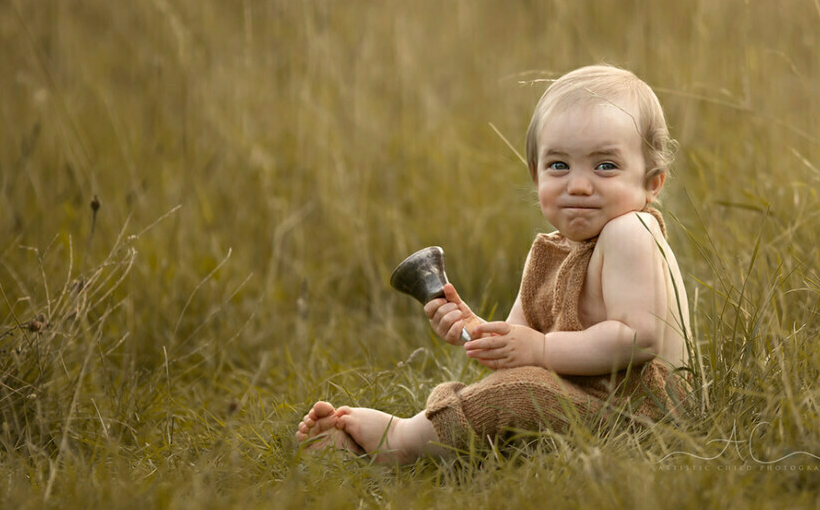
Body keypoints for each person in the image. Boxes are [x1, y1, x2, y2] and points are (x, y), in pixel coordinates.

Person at [295, 64, 694, 463]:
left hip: (643, 416)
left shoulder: (630, 231)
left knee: (520, 392)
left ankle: (401, 442)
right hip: (588, 404)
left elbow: (639, 339)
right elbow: (517, 349)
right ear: (536, 176)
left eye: (605, 166)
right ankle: (374, 450)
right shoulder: (547, 254)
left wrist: (541, 348)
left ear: (652, 182)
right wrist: (475, 330)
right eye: (559, 165)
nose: (578, 185)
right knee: (509, 387)